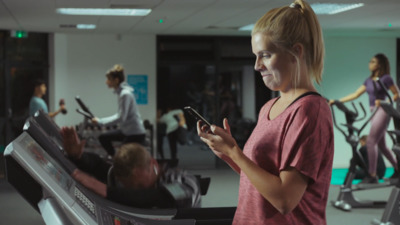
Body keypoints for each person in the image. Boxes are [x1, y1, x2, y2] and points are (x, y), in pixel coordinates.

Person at [196, 1, 334, 224]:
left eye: (266, 55)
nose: (257, 65)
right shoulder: (269, 108)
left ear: (296, 53)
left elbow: (284, 199)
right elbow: (261, 181)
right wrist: (229, 155)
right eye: (256, 56)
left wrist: (235, 153)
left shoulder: (310, 110)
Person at [61, 126, 201, 208]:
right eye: (130, 187)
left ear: (153, 164)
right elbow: (99, 165)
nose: (135, 191)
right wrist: (78, 157)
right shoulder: (123, 177)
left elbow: (160, 196)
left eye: (139, 185)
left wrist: (106, 191)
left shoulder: (184, 180)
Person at [330, 53, 399, 183]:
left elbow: (396, 94)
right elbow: (356, 94)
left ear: (379, 64)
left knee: (371, 141)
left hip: (383, 110)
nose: (370, 64)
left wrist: (386, 102)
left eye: (373, 62)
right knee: (382, 145)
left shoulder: (386, 78)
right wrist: (337, 101)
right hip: (373, 111)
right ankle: (398, 168)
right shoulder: (368, 80)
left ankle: (372, 175)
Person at [92, 64, 146, 156]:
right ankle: (113, 159)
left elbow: (121, 117)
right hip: (126, 131)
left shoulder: (125, 94)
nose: (106, 82)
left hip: (135, 134)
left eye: (109, 79)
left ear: (116, 80)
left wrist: (101, 122)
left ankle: (116, 161)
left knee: (123, 157)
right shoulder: (122, 93)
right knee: (103, 137)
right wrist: (100, 121)